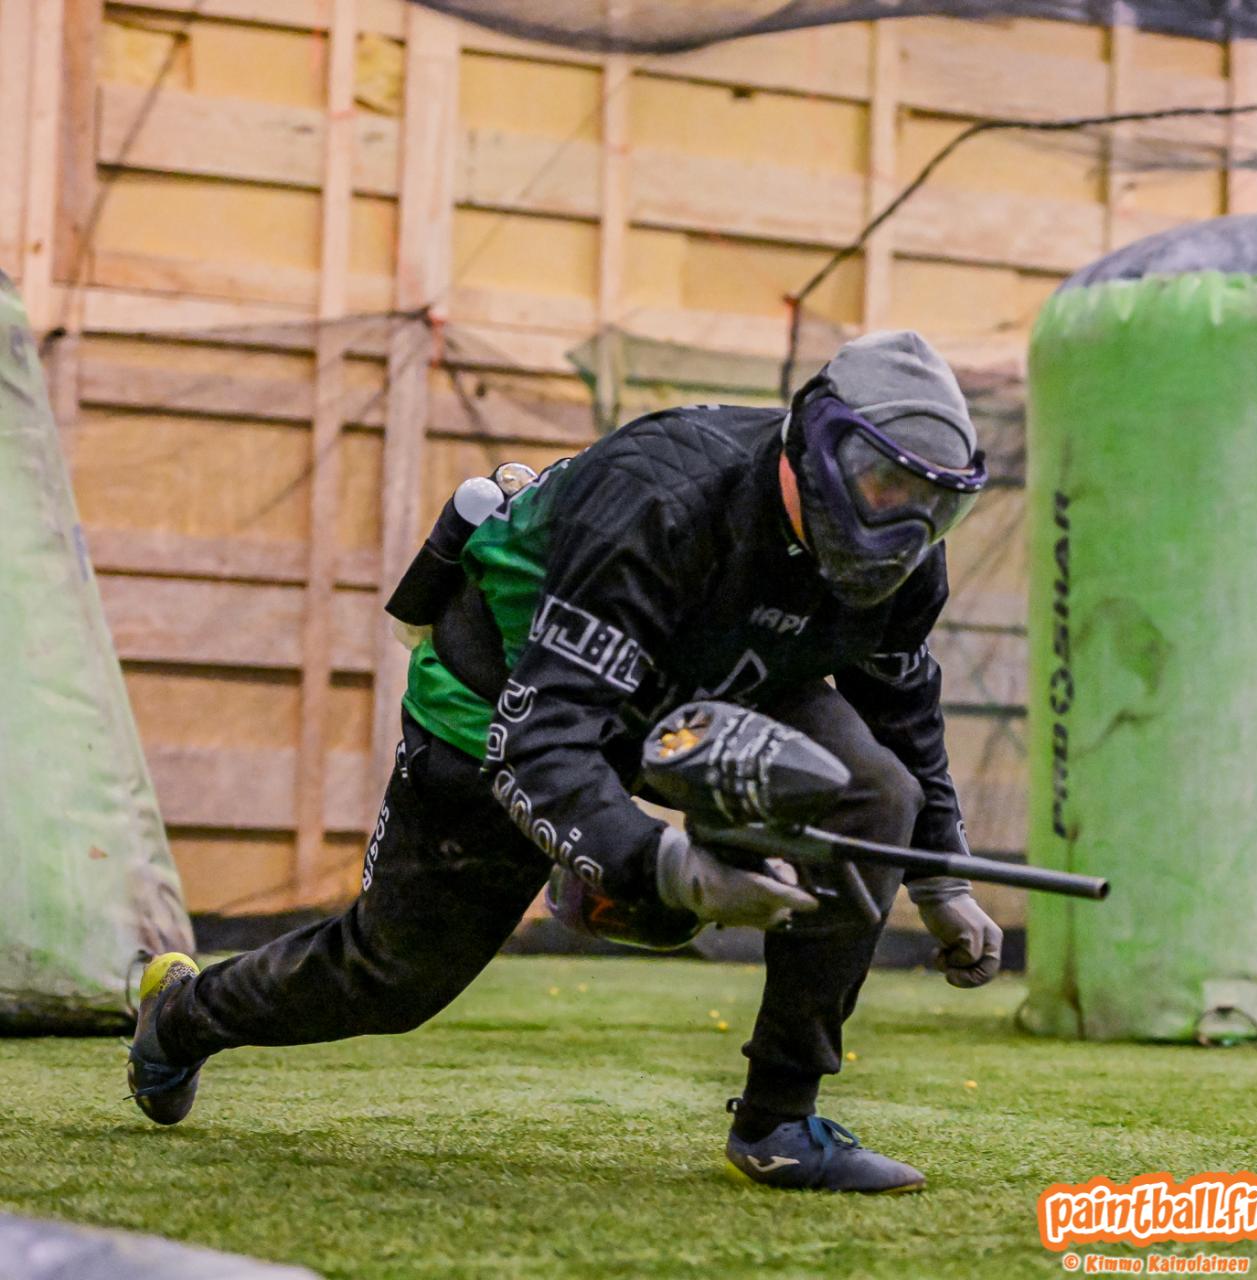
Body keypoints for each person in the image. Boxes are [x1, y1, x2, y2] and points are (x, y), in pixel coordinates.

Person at [128, 329, 1002, 1194]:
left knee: (873, 795)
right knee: (393, 975)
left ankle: (778, 1121)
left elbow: (901, 709)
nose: (904, 523)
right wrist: (660, 867)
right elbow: (541, 741)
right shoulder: (659, 497)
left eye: (934, 503)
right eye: (885, 483)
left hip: (708, 684)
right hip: (505, 688)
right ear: (814, 444)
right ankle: (183, 1014)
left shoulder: (908, 560)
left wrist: (940, 878)